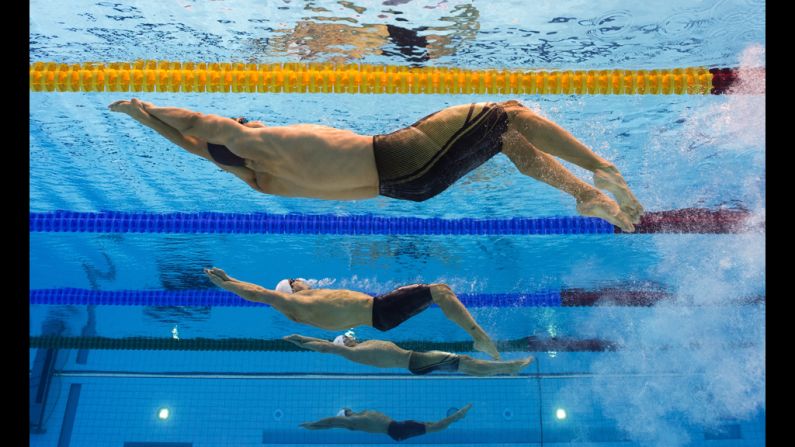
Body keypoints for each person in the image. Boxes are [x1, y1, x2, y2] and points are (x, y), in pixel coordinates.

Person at [109, 98, 643, 231]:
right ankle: (601, 170)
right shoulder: (261, 138)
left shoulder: (261, 181)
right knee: (507, 113)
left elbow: (196, 148)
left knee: (506, 141)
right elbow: (204, 124)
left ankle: (583, 196)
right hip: (397, 155)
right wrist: (151, 106)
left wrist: (141, 119)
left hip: (408, 190)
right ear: (247, 128)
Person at [203, 268, 500, 359]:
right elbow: (258, 293)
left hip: (380, 314)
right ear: (290, 291)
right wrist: (227, 282)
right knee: (441, 291)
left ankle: (478, 338)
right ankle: (480, 339)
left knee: (440, 292)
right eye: (296, 281)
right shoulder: (296, 304)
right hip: (380, 309)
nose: (303, 279)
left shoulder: (305, 306)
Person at [283, 332, 533, 376]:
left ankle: (505, 369)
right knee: (464, 362)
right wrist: (300, 340)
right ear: (343, 344)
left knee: (463, 366)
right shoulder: (353, 353)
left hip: (415, 361)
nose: (352, 337)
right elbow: (325, 346)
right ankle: (509, 367)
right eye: (347, 338)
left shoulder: (359, 348)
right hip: (414, 361)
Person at [300, 404, 472, 442]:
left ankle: (454, 418)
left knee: (430, 425)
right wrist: (313, 425)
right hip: (396, 428)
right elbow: (331, 422)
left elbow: (334, 422)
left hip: (396, 430)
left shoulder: (358, 417)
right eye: (347, 411)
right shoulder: (354, 421)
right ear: (345, 416)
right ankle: (458, 416)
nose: (349, 409)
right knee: (436, 427)